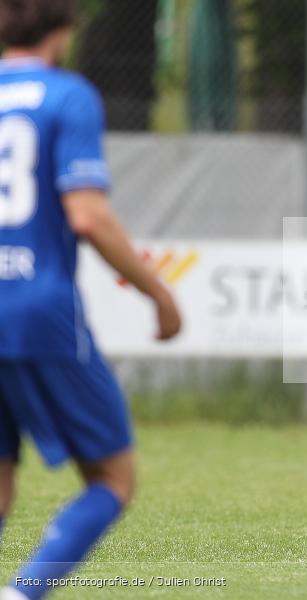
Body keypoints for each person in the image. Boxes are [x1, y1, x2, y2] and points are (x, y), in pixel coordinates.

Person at [0, 1, 182, 598]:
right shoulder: (67, 96)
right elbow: (88, 215)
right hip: (36, 309)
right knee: (112, 479)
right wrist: (157, 291)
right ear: (65, 26)